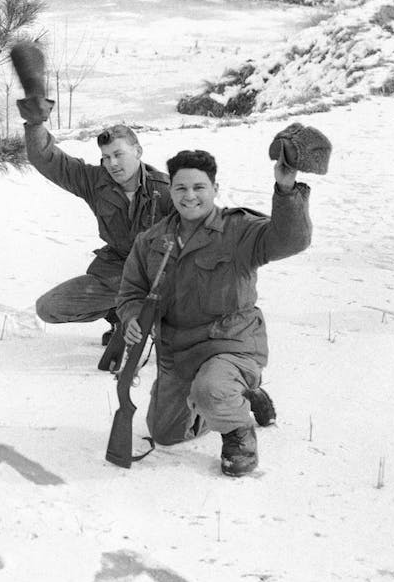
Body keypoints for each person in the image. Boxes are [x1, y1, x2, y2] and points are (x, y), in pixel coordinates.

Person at [117, 148, 312, 477]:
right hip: (178, 351)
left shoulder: (239, 230)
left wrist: (286, 189)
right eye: (180, 188)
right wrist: (133, 317)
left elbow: (290, 240)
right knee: (165, 433)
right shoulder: (151, 241)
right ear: (171, 191)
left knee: (210, 391)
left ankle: (238, 432)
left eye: (199, 187)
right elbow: (130, 292)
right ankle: (240, 396)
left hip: (231, 343)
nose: (189, 196)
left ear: (214, 189)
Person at [25, 116, 171, 343]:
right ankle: (119, 316)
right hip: (117, 274)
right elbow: (49, 160)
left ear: (138, 151)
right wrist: (34, 123)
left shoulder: (167, 190)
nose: (112, 163)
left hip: (160, 277)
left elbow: (206, 231)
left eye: (118, 154)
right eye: (106, 157)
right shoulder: (95, 181)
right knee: (49, 307)